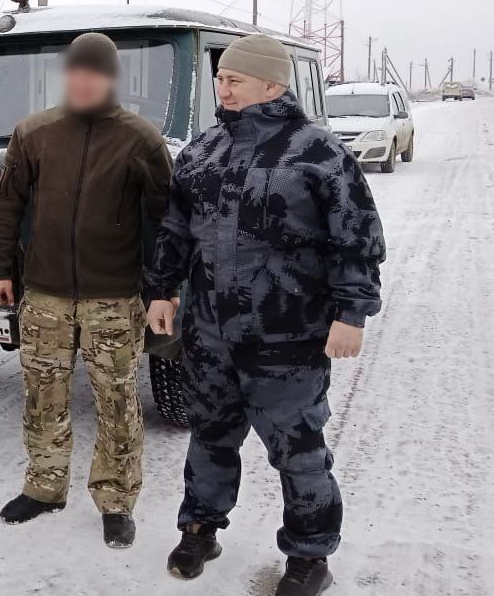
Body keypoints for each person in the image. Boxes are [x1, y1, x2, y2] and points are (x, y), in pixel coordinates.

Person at [145, 35, 386, 596]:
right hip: (210, 331)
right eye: (220, 79)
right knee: (210, 435)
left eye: (235, 81)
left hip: (289, 333)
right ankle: (200, 528)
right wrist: (161, 289)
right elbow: (177, 229)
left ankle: (309, 556)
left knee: (298, 450)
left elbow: (356, 237)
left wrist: (352, 312)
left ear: (273, 86)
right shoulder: (201, 151)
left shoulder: (317, 151)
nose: (222, 89)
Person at [0, 32, 173, 549]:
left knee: (116, 401)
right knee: (43, 395)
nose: (83, 81)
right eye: (75, 72)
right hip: (44, 294)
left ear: (110, 79)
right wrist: (0, 268)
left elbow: (167, 224)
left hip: (113, 296)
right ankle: (45, 486)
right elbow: (7, 206)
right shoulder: (35, 132)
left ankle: (116, 499)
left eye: (94, 72)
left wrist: (164, 290)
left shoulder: (141, 139)